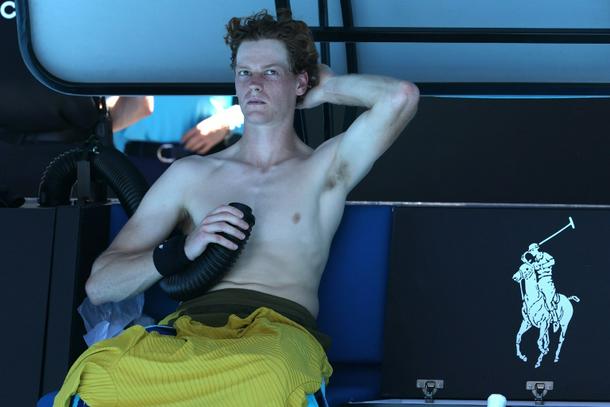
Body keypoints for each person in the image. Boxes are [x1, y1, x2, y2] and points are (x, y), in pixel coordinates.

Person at [55, 9, 419, 406]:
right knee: (96, 373)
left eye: (271, 73)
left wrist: (326, 88)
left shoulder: (324, 168)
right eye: (244, 73)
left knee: (269, 379)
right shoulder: (192, 174)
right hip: (191, 335)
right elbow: (101, 285)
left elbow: (400, 97)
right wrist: (182, 251)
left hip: (275, 340)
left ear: (299, 81)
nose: (254, 84)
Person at [521, 242, 559, 331]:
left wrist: (541, 266)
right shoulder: (533, 261)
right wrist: (524, 258)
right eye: (530, 251)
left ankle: (555, 319)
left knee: (548, 300)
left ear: (536, 249)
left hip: (547, 280)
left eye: (531, 250)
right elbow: (528, 265)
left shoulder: (544, 255)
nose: (531, 252)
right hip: (539, 282)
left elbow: (553, 261)